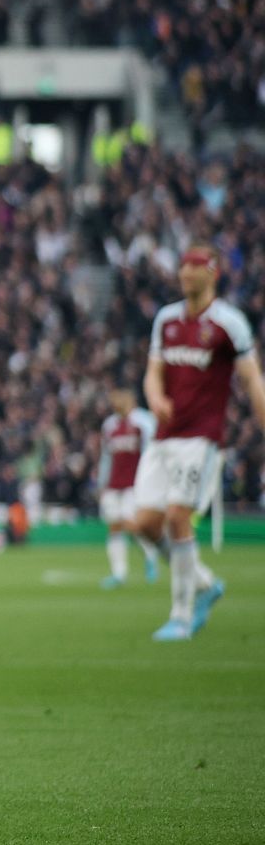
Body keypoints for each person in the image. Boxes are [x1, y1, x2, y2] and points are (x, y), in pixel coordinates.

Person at [134, 246, 265, 640]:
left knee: (178, 517)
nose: (185, 272)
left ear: (213, 273)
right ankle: (206, 584)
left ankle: (181, 614)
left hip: (201, 438)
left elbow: (252, 380)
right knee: (144, 523)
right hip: (164, 437)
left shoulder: (229, 324)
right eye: (183, 266)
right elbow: (153, 372)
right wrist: (155, 398)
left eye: (194, 266)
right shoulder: (166, 319)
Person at [96, 388, 158, 590]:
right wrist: (102, 483)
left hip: (137, 484)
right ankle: (118, 573)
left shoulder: (144, 422)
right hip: (115, 484)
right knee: (114, 526)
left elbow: (152, 454)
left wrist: (152, 482)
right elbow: (106, 457)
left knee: (132, 524)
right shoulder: (110, 425)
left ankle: (151, 557)